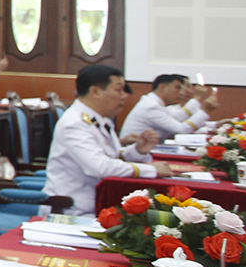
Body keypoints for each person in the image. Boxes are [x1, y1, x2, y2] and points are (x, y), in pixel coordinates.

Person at [46, 64, 171, 216]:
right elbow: (100, 167)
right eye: (119, 90)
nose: (124, 96)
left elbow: (112, 156)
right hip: (74, 210)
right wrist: (150, 170)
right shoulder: (74, 123)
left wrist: (137, 150)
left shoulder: (99, 120)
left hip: (100, 202)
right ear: (96, 92)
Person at [121, 74, 215, 141]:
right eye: (177, 88)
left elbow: (177, 120)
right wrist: (204, 110)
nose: (181, 92)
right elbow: (182, 130)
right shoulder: (151, 106)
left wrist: (214, 125)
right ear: (162, 87)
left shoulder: (155, 103)